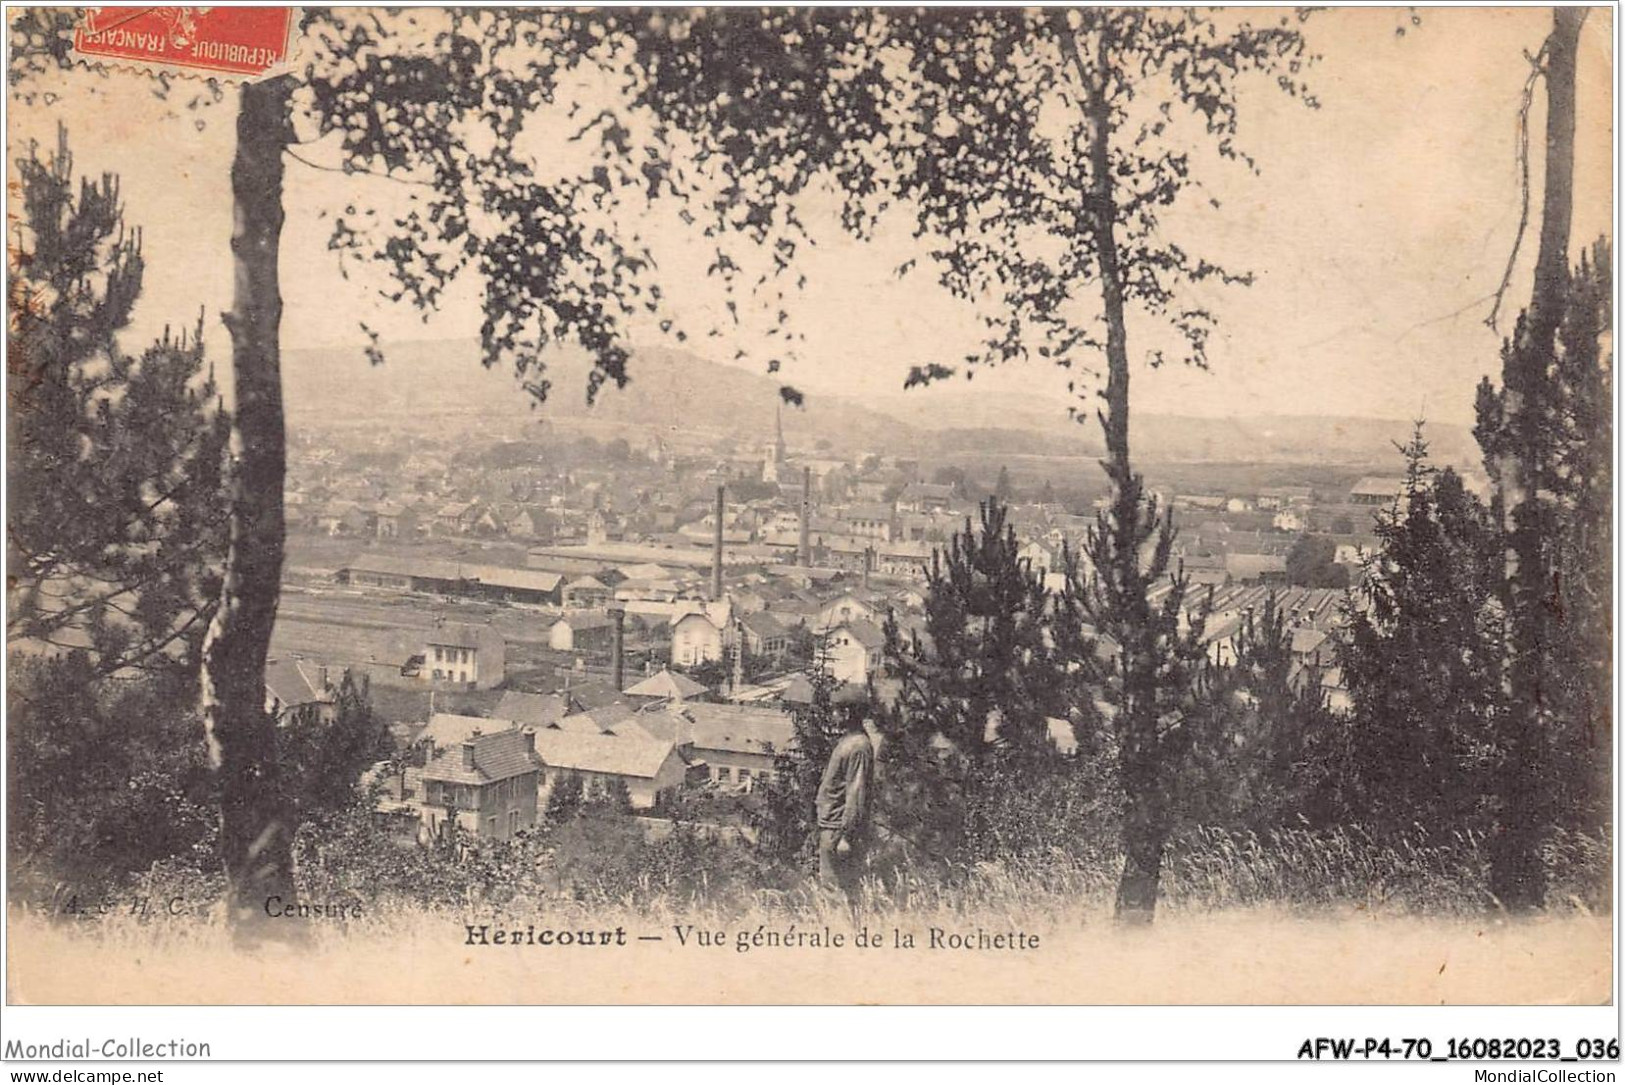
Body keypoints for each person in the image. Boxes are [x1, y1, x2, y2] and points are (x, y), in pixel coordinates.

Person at [814, 714, 875, 910]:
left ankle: (842, 932)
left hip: (838, 829)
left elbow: (856, 792)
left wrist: (847, 836)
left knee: (837, 890)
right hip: (831, 825)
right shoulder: (849, 742)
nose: (834, 715)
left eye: (837, 710)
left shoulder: (857, 745)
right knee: (831, 887)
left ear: (849, 712)